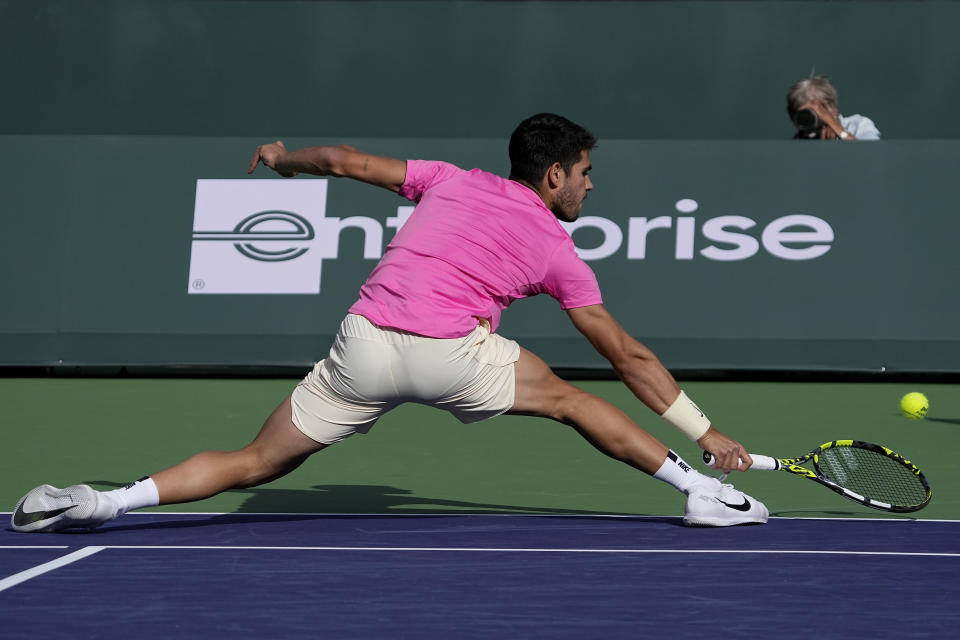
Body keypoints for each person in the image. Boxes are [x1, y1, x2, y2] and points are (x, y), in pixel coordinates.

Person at [11, 113, 767, 531]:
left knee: (255, 461)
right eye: (586, 173)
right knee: (571, 399)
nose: (591, 187)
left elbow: (340, 158)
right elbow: (627, 355)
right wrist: (705, 430)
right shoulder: (558, 248)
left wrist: (281, 162)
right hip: (448, 354)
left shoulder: (449, 180)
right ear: (555, 174)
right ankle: (699, 490)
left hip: (361, 347)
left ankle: (101, 501)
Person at [786, 74, 880, 140]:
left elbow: (871, 156)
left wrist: (838, 130)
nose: (809, 119)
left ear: (833, 109)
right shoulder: (800, 140)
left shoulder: (858, 125)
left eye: (818, 111)